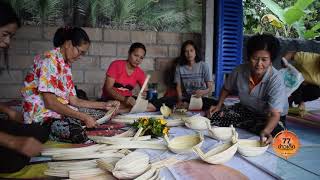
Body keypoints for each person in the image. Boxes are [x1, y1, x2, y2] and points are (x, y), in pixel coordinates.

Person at [21, 27, 120, 144]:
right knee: (77, 134)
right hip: (44, 117)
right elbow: (50, 103)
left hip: (60, 111)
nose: (80, 56)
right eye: (80, 51)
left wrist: (105, 105)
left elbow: (75, 101)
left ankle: (75, 121)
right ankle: (55, 129)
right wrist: (83, 117)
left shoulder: (65, 66)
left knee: (103, 116)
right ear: (68, 44)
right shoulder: (48, 61)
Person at [207, 34, 288, 145]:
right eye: (255, 58)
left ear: (271, 61)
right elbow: (226, 88)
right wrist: (219, 105)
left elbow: (274, 114)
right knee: (214, 116)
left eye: (264, 60)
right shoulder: (239, 70)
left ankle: (247, 123)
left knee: (277, 133)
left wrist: (266, 130)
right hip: (247, 109)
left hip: (269, 117)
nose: (259, 64)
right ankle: (245, 122)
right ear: (249, 57)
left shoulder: (276, 79)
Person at [0, 2, 49, 173]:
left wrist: (8, 111)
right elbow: (50, 99)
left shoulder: (63, 66)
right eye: (5, 34)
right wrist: (13, 142)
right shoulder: (48, 61)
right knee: (15, 159)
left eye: (10, 37)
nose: (7, 42)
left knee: (38, 131)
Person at [101, 42, 156, 112]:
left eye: (141, 58)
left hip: (127, 101)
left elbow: (145, 91)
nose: (138, 60)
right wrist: (125, 99)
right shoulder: (116, 65)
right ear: (129, 53)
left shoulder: (140, 73)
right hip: (110, 99)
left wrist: (144, 95)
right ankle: (126, 110)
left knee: (152, 107)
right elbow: (108, 89)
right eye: (136, 55)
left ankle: (120, 111)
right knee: (113, 105)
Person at [159, 40, 214, 110]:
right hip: (187, 98)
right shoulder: (179, 67)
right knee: (164, 101)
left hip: (201, 99)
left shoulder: (204, 66)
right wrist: (180, 101)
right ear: (183, 54)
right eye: (186, 51)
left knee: (217, 104)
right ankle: (187, 106)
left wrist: (203, 92)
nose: (189, 53)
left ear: (195, 52)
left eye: (191, 50)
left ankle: (190, 106)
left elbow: (210, 88)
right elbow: (178, 87)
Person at [283, 51, 320, 116]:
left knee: (317, 92)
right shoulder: (310, 58)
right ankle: (295, 102)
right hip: (291, 79)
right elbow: (290, 54)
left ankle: (298, 102)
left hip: (305, 86)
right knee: (297, 81)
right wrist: (285, 65)